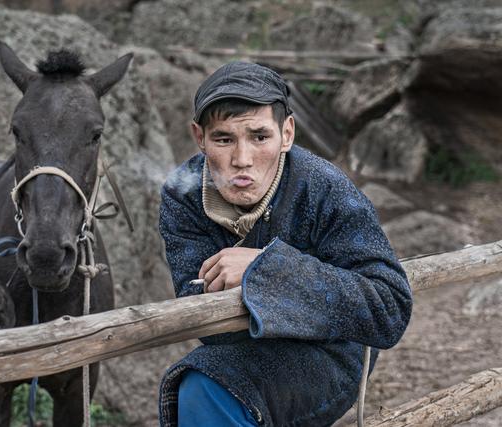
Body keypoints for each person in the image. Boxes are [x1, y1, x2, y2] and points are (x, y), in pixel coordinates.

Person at [157, 61, 413, 427]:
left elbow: (389, 308)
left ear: (287, 133)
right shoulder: (182, 193)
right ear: (200, 137)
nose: (241, 160)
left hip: (333, 351)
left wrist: (264, 271)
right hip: (239, 351)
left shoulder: (325, 188)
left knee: (205, 388)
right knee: (200, 382)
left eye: (260, 137)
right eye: (223, 139)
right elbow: (198, 309)